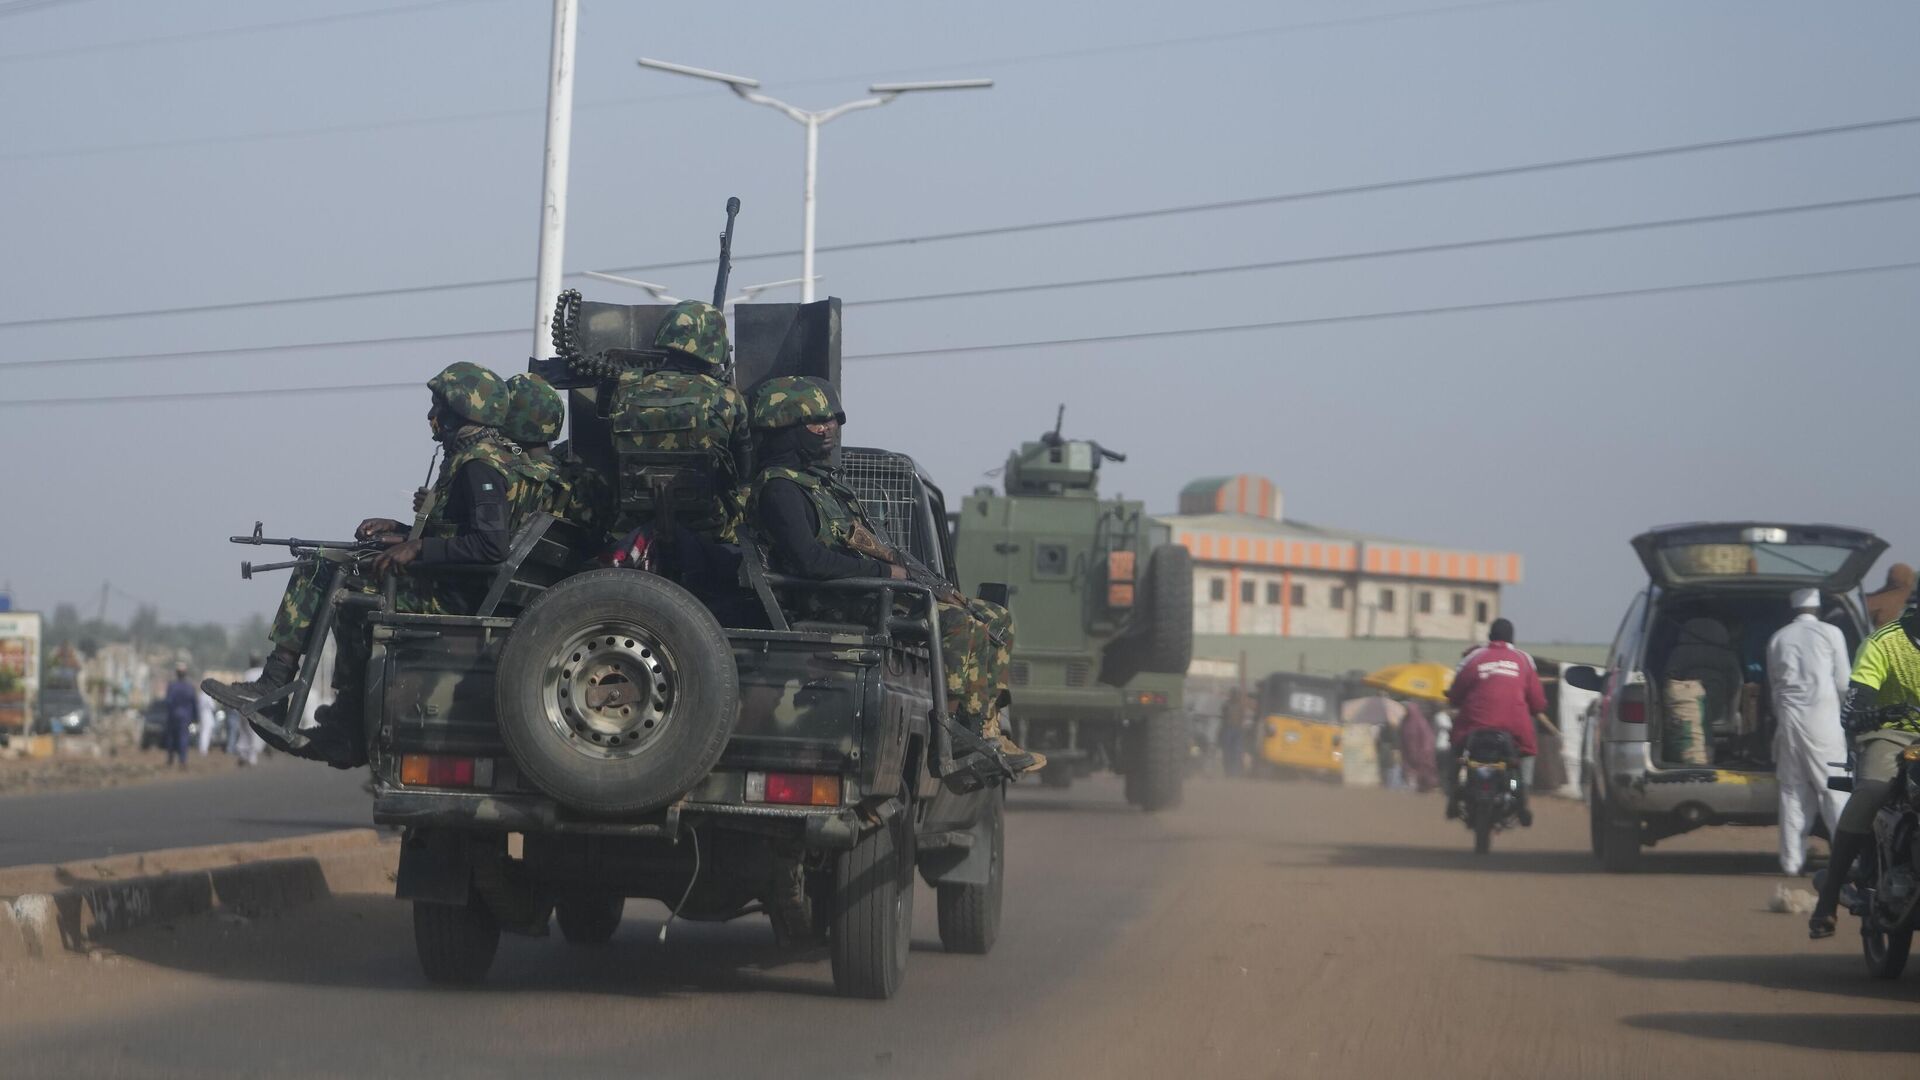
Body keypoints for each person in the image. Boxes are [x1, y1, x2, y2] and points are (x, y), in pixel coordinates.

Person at [204, 362, 543, 767]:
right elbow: (459, 533)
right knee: (338, 567)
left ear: (463, 413)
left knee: (330, 577)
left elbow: (490, 545)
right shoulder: (479, 458)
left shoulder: (479, 466)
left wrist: (416, 550)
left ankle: (305, 702)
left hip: (454, 597)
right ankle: (318, 708)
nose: (431, 418)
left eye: (440, 408)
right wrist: (402, 532)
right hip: (453, 584)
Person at [744, 375, 1041, 774]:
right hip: (835, 600)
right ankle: (956, 733)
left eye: (831, 422)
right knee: (954, 623)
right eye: (817, 424)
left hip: (858, 592)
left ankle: (985, 727)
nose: (829, 430)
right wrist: (886, 572)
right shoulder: (780, 490)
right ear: (786, 431)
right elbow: (809, 562)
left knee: (995, 620)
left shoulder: (819, 484)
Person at [1808, 587, 1920, 938]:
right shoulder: (1883, 643)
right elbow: (1853, 711)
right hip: (1892, 735)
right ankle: (1828, 900)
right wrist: (1883, 712)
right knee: (1872, 790)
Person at [607, 300, 752, 543]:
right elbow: (744, 469)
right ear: (715, 345)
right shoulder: (725, 397)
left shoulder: (626, 387)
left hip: (632, 524)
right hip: (709, 526)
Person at [1766, 588, 1850, 877]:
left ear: (1794, 609)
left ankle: (1791, 863)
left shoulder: (1778, 638)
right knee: (1835, 791)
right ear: (1819, 608)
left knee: (1792, 792)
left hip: (1789, 722)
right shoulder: (1831, 634)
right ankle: (1847, 862)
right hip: (1824, 723)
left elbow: (1774, 687)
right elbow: (1843, 684)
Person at [1445, 618, 1548, 825]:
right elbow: (1538, 704)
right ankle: (1521, 794)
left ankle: (1453, 797)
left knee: (1457, 755)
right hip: (1513, 729)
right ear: (1512, 639)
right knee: (1517, 763)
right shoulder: (1524, 660)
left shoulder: (1473, 658)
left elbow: (1455, 695)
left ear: (1490, 637)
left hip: (1473, 727)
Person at [1400, 697, 1439, 792]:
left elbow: (1424, 740)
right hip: (1413, 755)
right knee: (1415, 776)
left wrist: (1420, 754)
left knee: (1421, 775)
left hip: (1421, 754)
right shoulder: (1409, 722)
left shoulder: (1415, 723)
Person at [162, 665, 196, 768]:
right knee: (183, 738)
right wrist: (195, 717)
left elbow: (168, 701)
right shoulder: (190, 687)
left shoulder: (172, 686)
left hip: (173, 716)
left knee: (171, 738)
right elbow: (194, 703)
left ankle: (170, 759)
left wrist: (169, 713)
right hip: (185, 717)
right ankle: (182, 760)